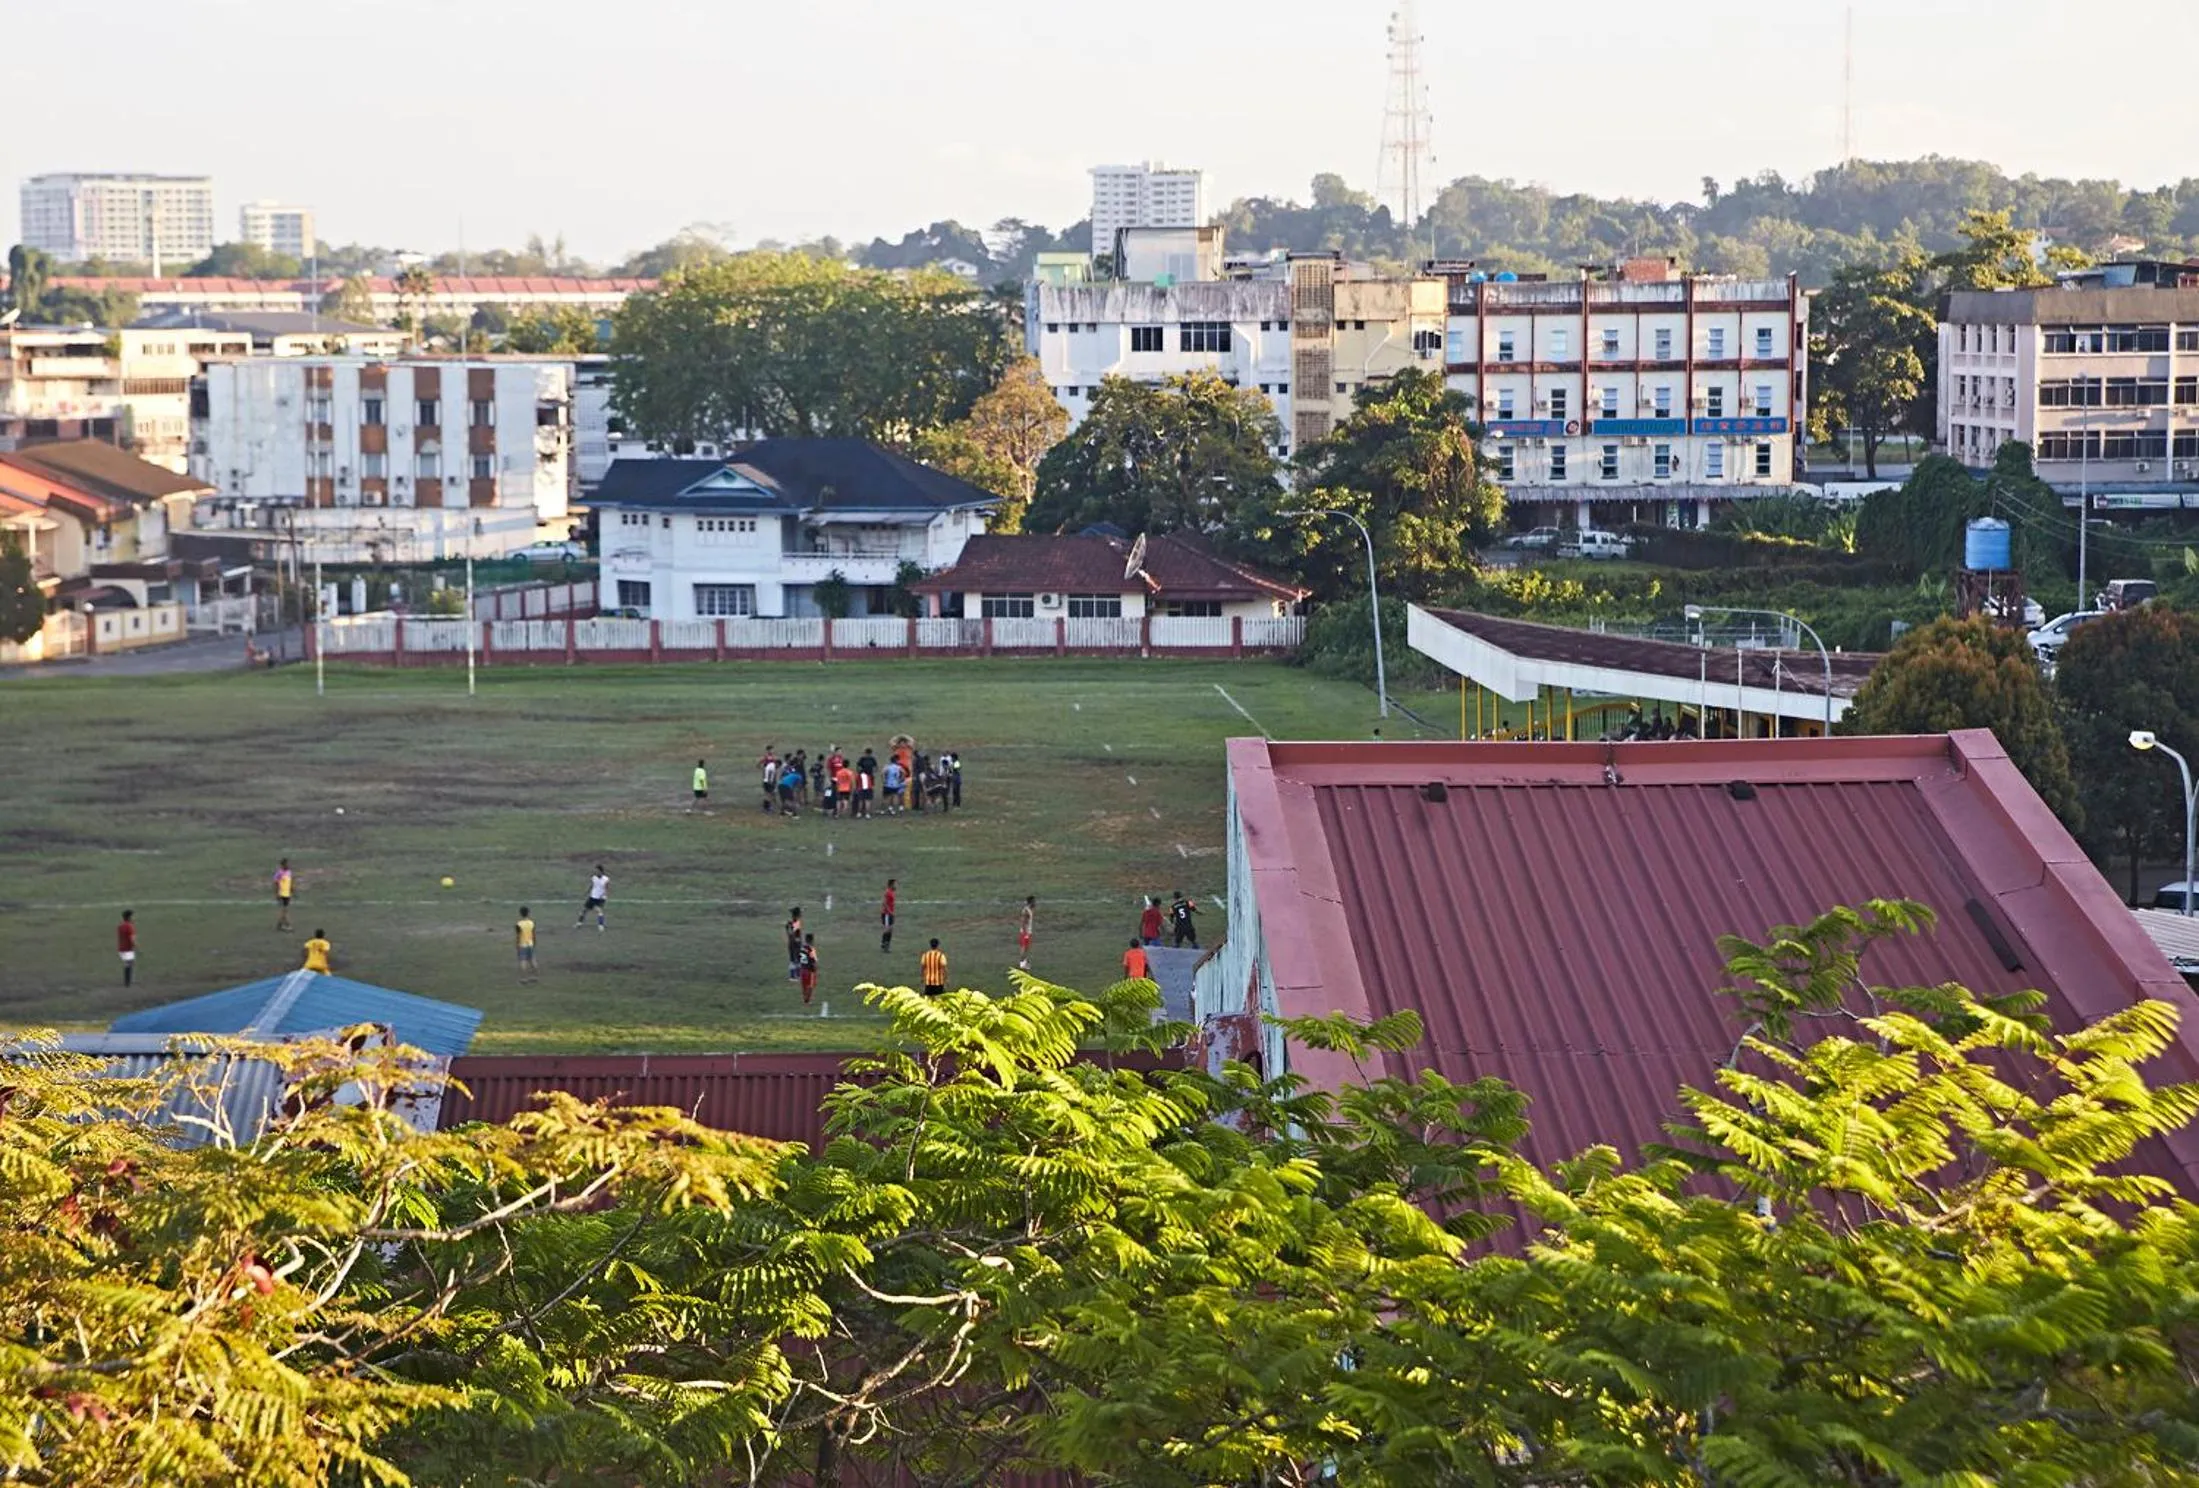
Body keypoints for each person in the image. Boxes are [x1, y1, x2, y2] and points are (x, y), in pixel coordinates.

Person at [577, 865, 609, 931]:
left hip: (600, 898)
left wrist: (604, 895)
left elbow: (606, 888)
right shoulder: (594, 878)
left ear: (601, 871)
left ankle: (601, 925)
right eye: (595, 871)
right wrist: (586, 892)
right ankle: (579, 923)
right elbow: (591, 886)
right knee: (584, 910)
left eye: (597, 871)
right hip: (592, 897)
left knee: (599, 910)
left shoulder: (606, 879)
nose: (596, 872)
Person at [515, 906, 537, 982]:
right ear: (528, 913)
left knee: (523, 961)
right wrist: (534, 942)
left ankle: (524, 978)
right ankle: (534, 976)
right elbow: (533, 934)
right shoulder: (532, 923)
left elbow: (518, 936)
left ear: (520, 914)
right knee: (532, 960)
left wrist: (517, 944)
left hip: (522, 944)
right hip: (530, 944)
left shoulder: (519, 924)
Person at [117, 909, 138, 987]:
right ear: (129, 917)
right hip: (128, 949)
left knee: (128, 963)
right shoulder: (130, 926)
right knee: (129, 964)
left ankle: (128, 980)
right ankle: (128, 981)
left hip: (121, 948)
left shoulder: (120, 926)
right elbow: (132, 938)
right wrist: (135, 945)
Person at [273, 857, 294, 932]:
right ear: (282, 865)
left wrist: (292, 890)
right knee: (285, 910)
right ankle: (288, 925)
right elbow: (276, 883)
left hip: (287, 894)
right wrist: (277, 894)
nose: (288, 865)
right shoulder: (279, 873)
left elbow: (290, 882)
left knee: (284, 911)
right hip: (282, 894)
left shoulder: (289, 872)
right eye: (286, 864)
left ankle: (279, 925)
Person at [798, 933, 819, 1006]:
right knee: (810, 985)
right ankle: (807, 1001)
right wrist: (815, 970)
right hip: (809, 971)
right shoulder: (811, 949)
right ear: (811, 940)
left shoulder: (801, 948)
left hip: (802, 969)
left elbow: (799, 958)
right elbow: (813, 961)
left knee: (804, 986)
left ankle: (805, 1000)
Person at [759, 746, 781, 813]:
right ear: (768, 750)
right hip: (768, 777)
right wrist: (764, 770)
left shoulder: (774, 758)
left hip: (772, 776)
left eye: (772, 750)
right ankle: (768, 806)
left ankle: (769, 805)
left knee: (770, 792)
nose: (772, 751)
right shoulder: (766, 757)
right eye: (771, 750)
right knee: (769, 793)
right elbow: (760, 764)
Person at [785, 907, 804, 980]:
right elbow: (795, 935)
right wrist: (798, 941)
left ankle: (794, 975)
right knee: (797, 959)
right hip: (795, 943)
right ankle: (795, 975)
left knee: (793, 959)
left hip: (791, 943)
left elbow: (789, 933)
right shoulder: (796, 923)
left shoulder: (789, 923)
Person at [1017, 895, 1035, 970]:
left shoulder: (1029, 910)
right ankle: (1022, 963)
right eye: (1034, 901)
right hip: (1025, 932)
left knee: (1026, 948)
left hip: (1028, 932)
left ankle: (1024, 962)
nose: (1035, 903)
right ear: (1031, 902)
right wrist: (1025, 934)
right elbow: (1023, 922)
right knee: (1024, 948)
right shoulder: (1026, 911)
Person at [880, 878, 897, 953]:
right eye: (895, 884)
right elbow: (884, 903)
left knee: (890, 929)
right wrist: (890, 912)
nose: (896, 886)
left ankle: (884, 944)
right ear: (891, 885)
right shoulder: (888, 892)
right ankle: (885, 945)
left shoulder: (892, 892)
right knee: (887, 929)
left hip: (890, 913)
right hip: (887, 914)